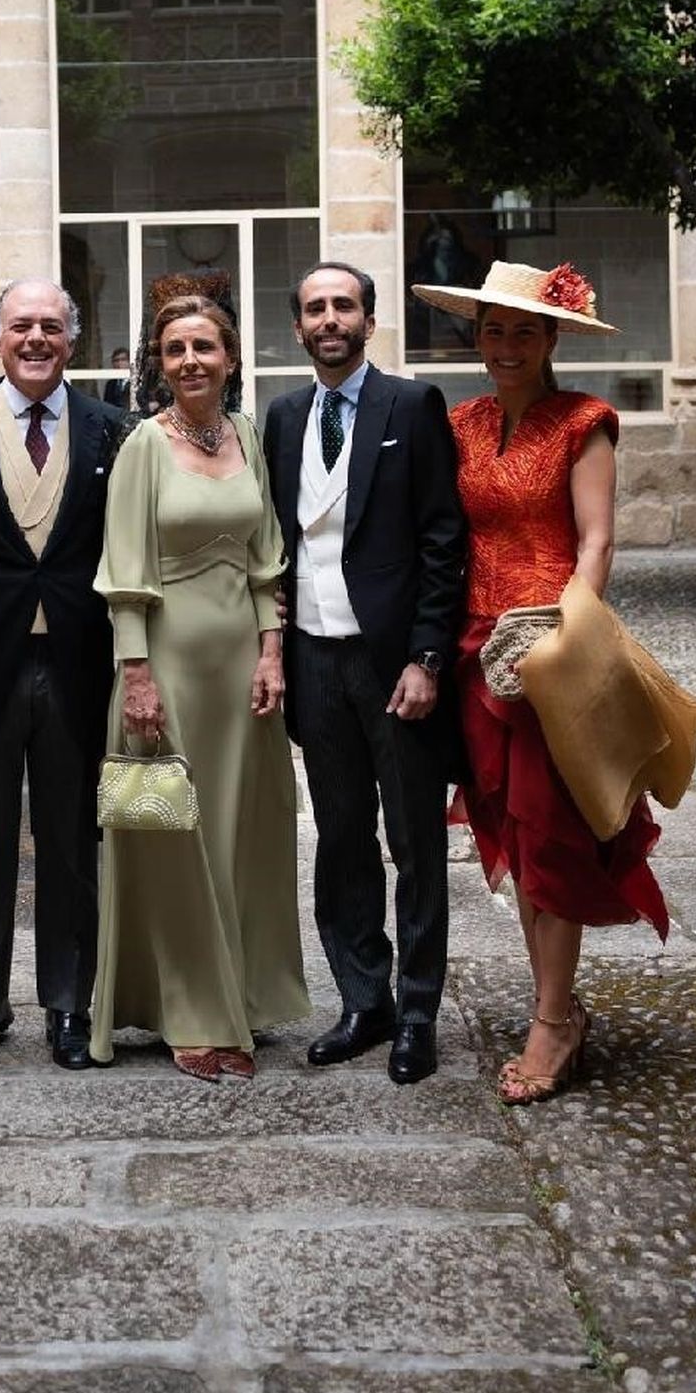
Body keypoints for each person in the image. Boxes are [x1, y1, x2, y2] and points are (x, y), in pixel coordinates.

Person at [409, 257, 668, 1105]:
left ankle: (553, 1023)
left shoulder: (582, 423)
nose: (506, 345)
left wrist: (560, 644)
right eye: (493, 330)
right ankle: (556, 1005)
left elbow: (595, 543)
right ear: (475, 338)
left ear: (553, 336)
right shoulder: (461, 423)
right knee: (514, 836)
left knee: (554, 834)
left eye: (524, 330)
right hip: (474, 653)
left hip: (551, 652)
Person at [93, 293, 309, 1081]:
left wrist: (272, 653)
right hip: (169, 668)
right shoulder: (144, 445)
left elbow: (266, 559)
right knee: (176, 840)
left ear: (231, 359)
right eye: (175, 348)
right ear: (160, 360)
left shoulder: (245, 434)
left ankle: (245, 999)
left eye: (204, 347)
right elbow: (123, 574)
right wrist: (138, 673)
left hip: (242, 676)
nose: (190, 361)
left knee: (244, 835)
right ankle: (189, 1011)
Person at [264, 262, 466, 1085]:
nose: (329, 319)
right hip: (315, 658)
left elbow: (443, 542)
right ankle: (362, 1000)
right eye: (314, 308)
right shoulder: (281, 417)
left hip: (392, 664)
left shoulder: (411, 407)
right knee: (341, 838)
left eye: (343, 305)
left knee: (413, 843)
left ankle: (418, 1011)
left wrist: (427, 657)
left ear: (369, 321)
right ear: (299, 329)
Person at [0, 280, 123, 1073]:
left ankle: (70, 1006)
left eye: (51, 326)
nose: (35, 338)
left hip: (80, 658)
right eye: (20, 327)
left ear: (72, 339)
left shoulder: (113, 428)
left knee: (75, 838)